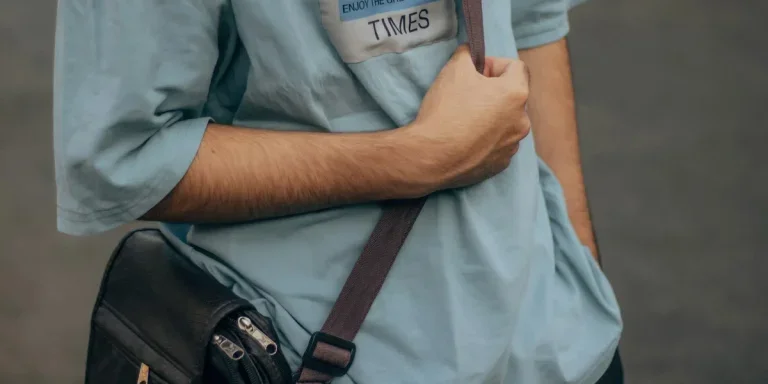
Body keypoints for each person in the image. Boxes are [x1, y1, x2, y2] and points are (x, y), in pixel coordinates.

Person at [54, 0, 623, 382]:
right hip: (328, 362)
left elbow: (531, 25)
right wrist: (416, 159)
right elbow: (123, 161)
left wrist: (578, 271)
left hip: (562, 352)